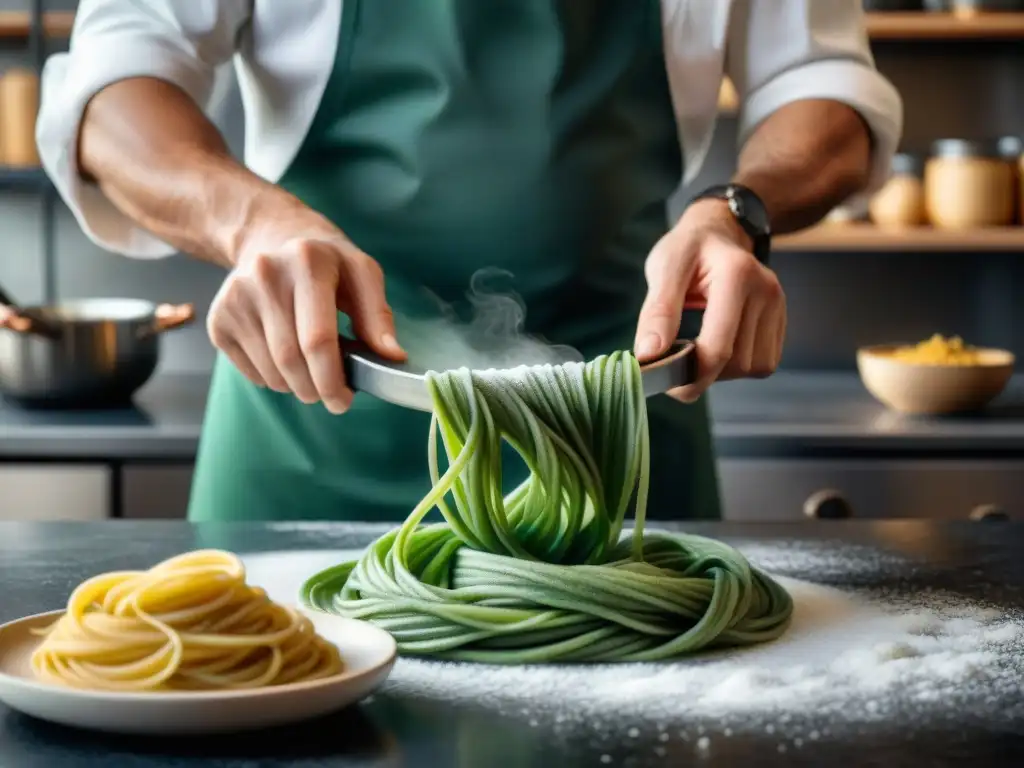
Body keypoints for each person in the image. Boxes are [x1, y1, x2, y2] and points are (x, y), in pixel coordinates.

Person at [37, 0, 902, 523]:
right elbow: (115, 89)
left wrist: (736, 213)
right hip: (315, 424)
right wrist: (253, 223)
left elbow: (824, 86)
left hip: (621, 431)